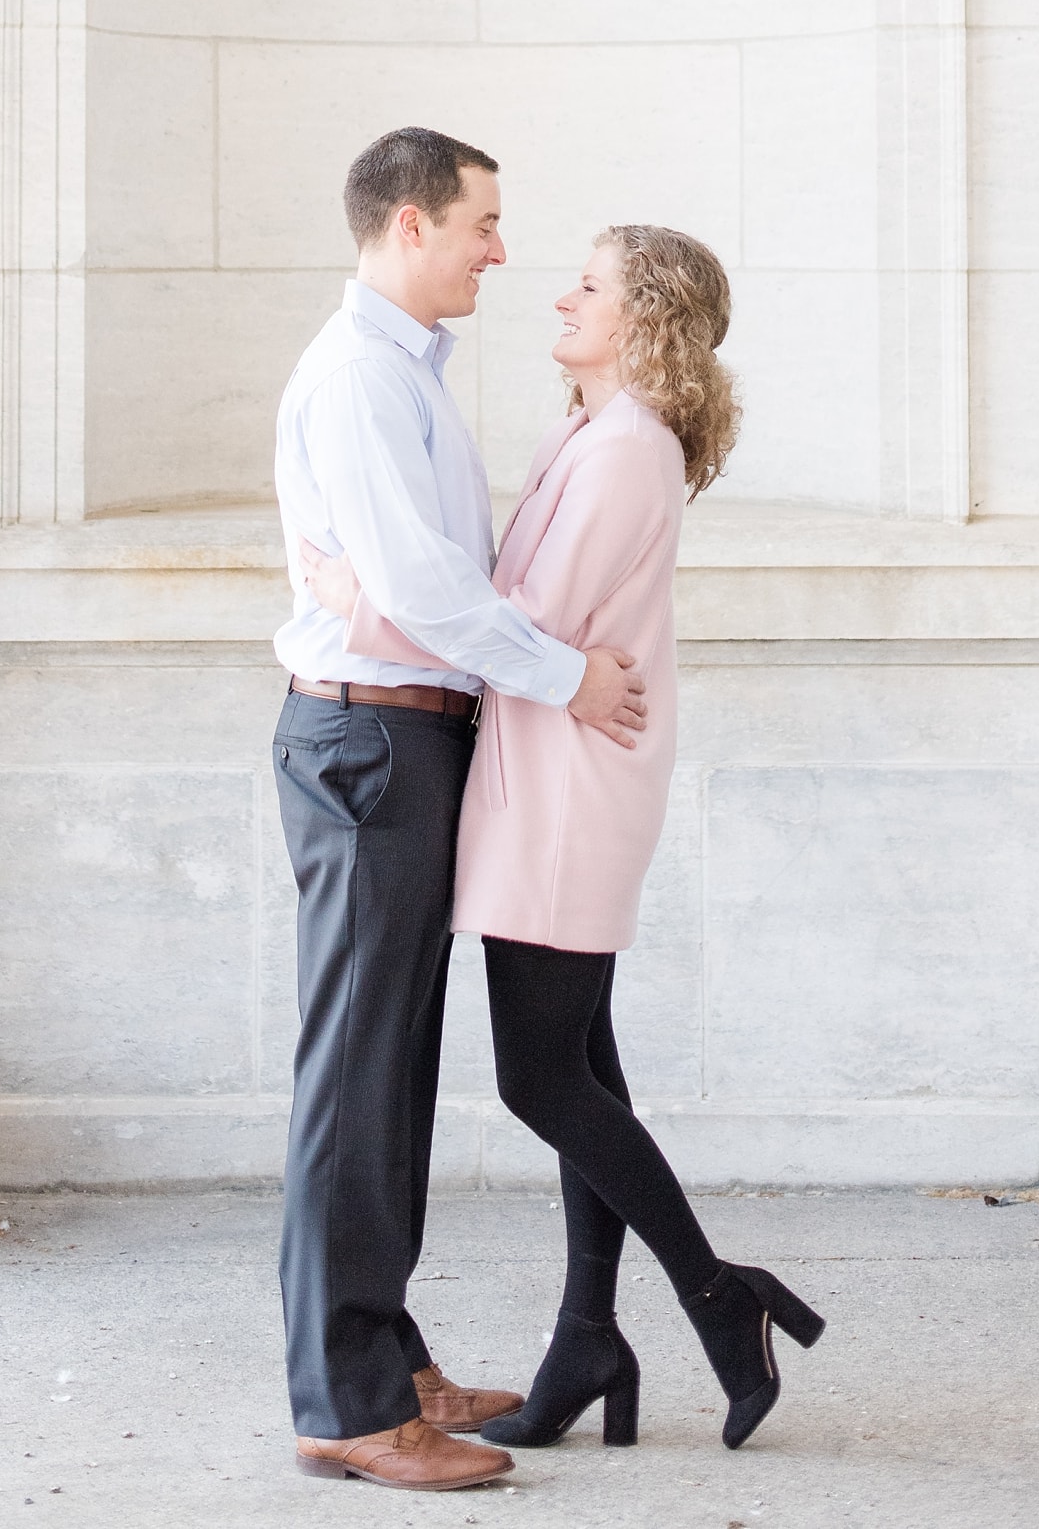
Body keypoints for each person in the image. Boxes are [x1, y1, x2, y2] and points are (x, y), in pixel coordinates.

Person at [304, 223, 824, 1453]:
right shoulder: (588, 437)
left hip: (568, 791)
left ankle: (715, 1293)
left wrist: (357, 606)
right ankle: (587, 1333)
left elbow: (516, 625)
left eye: (588, 287)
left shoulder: (625, 452)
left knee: (539, 1078)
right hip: (551, 774)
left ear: (645, 320)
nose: (560, 298)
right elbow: (521, 619)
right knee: (581, 1064)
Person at [271, 127, 650, 1493]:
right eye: (484, 222)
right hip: (373, 744)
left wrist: (430, 619)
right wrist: (571, 678)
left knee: (387, 1068)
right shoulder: (364, 381)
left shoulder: (399, 375)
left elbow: (426, 585)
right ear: (413, 224)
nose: (502, 250)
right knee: (357, 1073)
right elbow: (427, 601)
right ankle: (350, 1403)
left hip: (402, 738)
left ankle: (385, 1354)